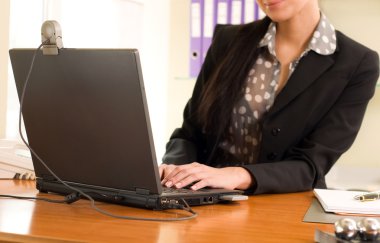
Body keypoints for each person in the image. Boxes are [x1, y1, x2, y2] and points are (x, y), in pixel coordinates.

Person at [160, 0, 380, 194]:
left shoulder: (358, 63)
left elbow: (311, 166)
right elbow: (189, 134)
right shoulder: (227, 41)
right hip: (206, 201)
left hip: (286, 209)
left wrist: (237, 175)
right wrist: (174, 170)